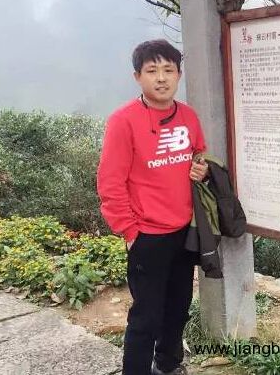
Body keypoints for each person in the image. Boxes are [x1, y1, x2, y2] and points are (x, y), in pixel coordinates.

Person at [97, 39, 208, 375]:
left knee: (178, 309)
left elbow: (199, 156)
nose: (161, 78)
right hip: (147, 235)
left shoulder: (188, 116)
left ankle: (168, 365)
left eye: (168, 70)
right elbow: (110, 183)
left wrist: (201, 169)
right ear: (138, 77)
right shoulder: (123, 121)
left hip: (184, 232)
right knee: (146, 316)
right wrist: (131, 232)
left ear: (178, 75)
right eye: (152, 70)